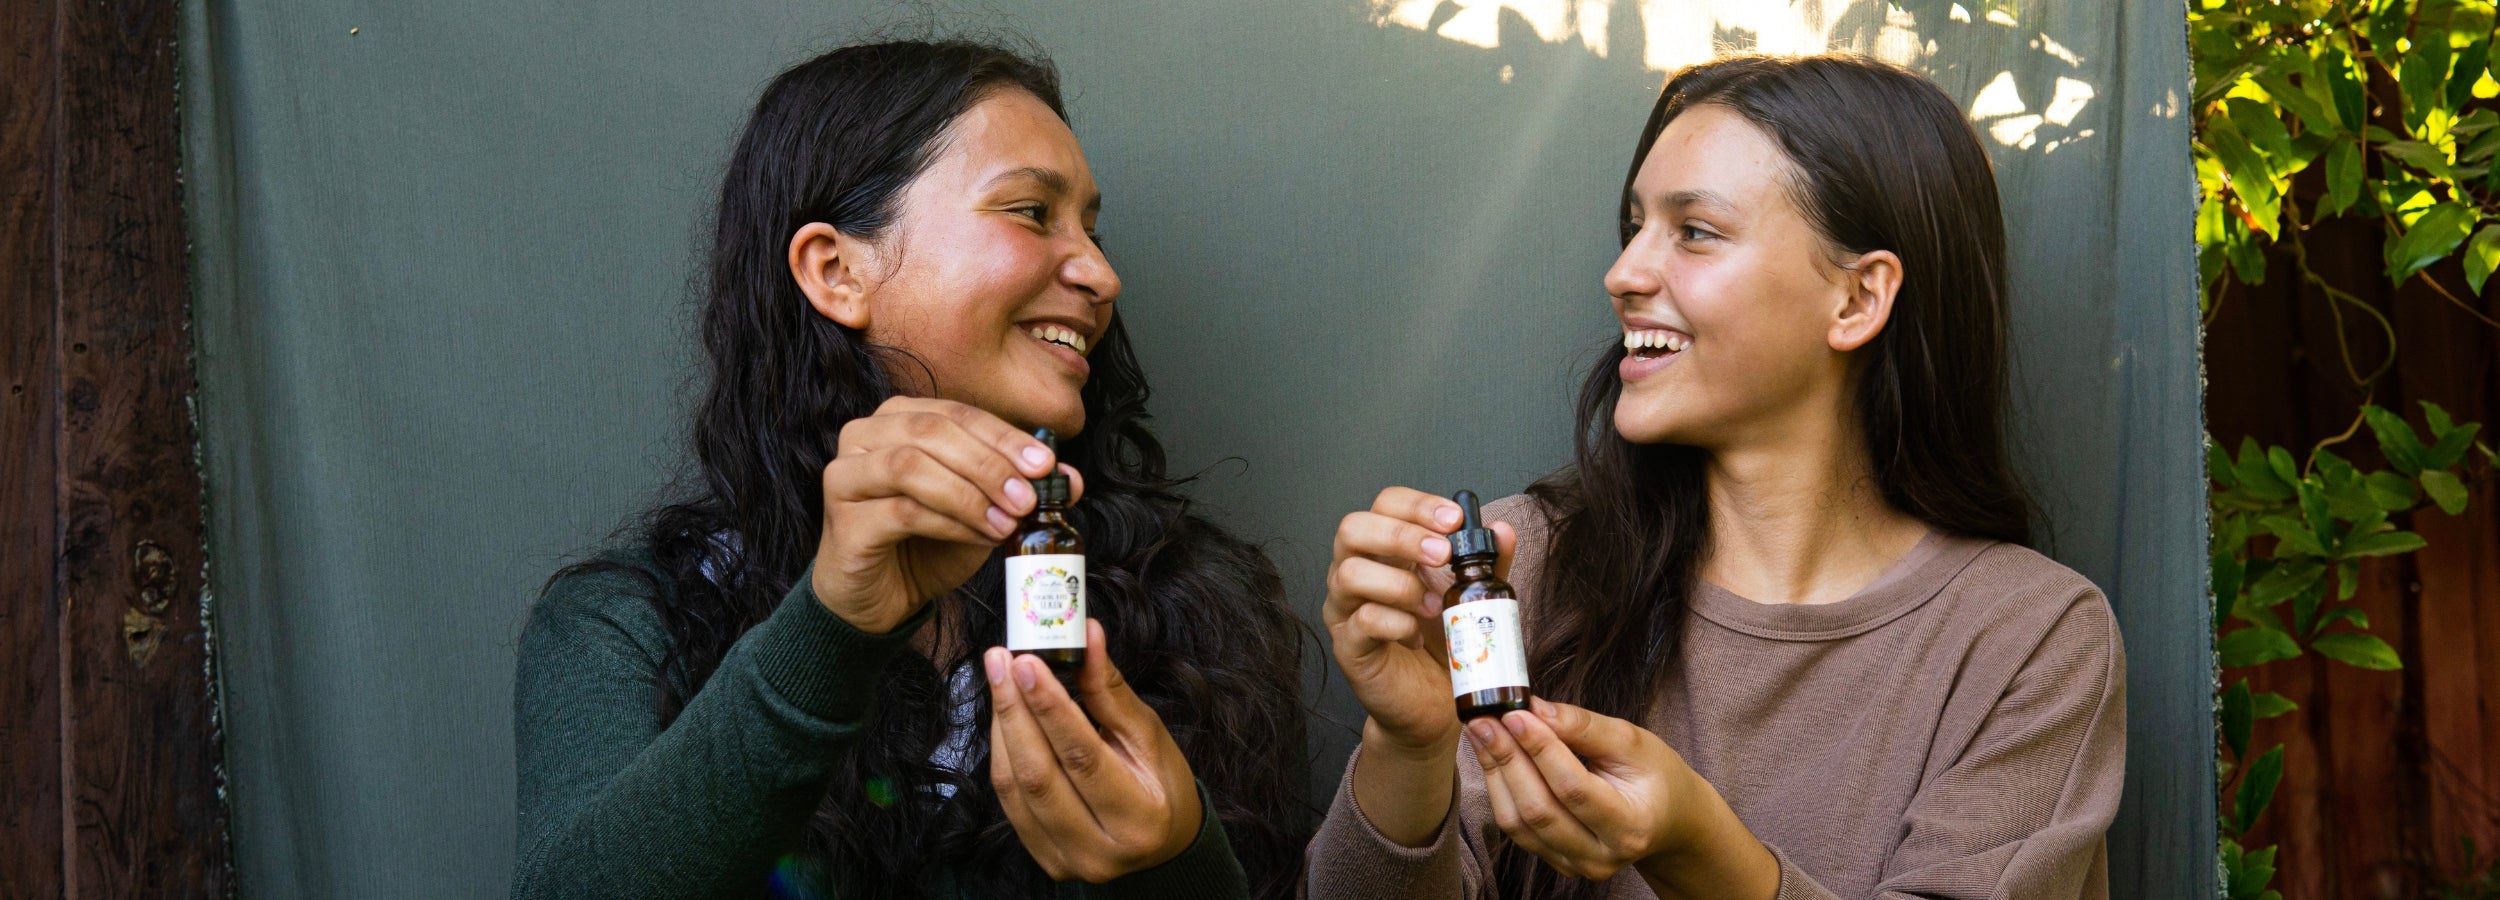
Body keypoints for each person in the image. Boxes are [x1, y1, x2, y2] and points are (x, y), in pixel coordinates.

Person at [1307, 54, 2124, 900]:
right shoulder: (1517, 575)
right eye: (1635, 228)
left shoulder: (2030, 638)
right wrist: (1408, 748)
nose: (1623, 274)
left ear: (1857, 300)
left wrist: (1700, 846)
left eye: (1694, 232)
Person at [512, 39, 1309, 900]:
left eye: (1093, 228)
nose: (1102, 274)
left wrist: (1177, 859)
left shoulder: (1193, 608)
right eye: (1033, 213)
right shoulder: (628, 623)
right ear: (837, 271)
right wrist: (828, 628)